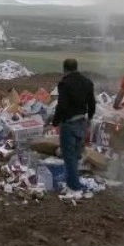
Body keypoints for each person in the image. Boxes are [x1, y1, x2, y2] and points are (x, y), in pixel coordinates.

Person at [51, 59, 96, 198]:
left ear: (65, 69)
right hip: (81, 122)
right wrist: (90, 118)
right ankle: (72, 180)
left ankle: (74, 185)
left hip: (69, 123)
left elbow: (62, 106)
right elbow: (92, 103)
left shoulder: (65, 83)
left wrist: (55, 122)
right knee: (76, 155)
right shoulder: (87, 82)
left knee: (69, 156)